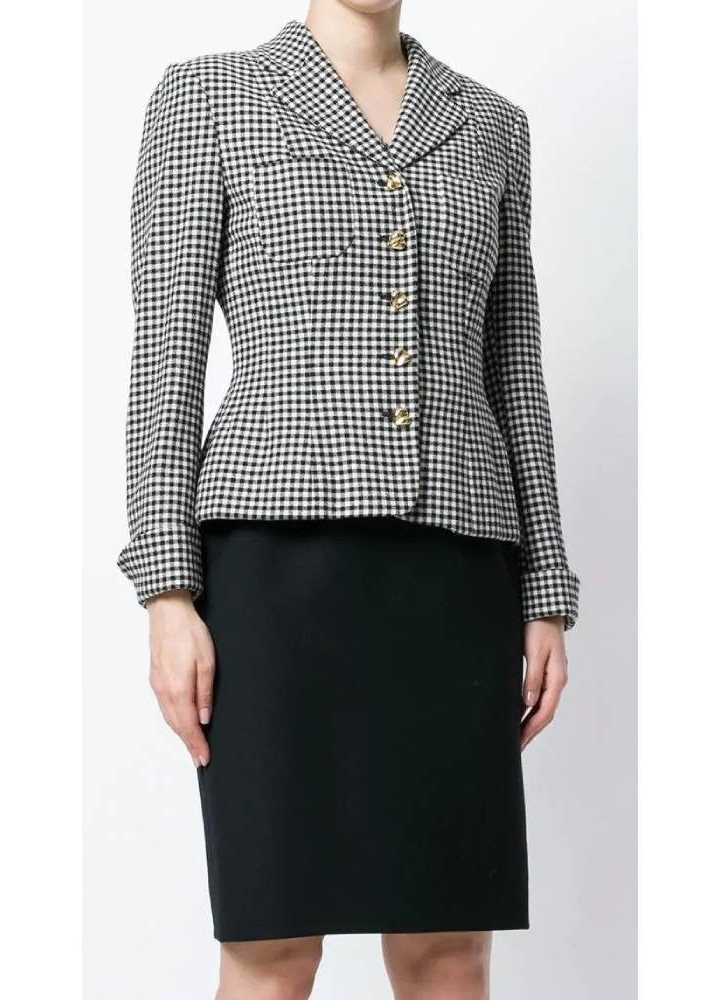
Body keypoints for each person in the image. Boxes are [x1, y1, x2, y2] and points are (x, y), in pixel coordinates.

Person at [118, 1, 579, 996]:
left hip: (457, 576)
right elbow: (166, 358)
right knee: (272, 947)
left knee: (449, 947)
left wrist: (547, 590)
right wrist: (166, 591)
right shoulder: (209, 97)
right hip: (273, 581)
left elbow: (515, 367)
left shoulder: (491, 123)